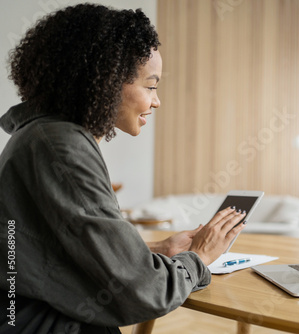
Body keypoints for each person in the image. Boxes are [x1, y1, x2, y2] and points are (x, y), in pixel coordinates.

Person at [0, 4, 247, 333]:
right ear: (107, 81)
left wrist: (159, 250)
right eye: (151, 86)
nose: (156, 101)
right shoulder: (62, 147)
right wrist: (199, 257)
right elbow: (145, 291)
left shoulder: (46, 136)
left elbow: (60, 251)